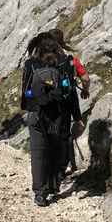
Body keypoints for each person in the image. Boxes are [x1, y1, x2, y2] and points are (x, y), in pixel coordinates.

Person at [21, 33, 84, 207]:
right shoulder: (65, 63)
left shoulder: (29, 65)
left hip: (37, 115)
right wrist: (77, 117)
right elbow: (70, 93)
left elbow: (25, 93)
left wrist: (36, 101)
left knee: (38, 154)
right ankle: (54, 185)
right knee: (57, 151)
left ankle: (40, 194)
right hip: (60, 115)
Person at [49, 28, 89, 174]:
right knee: (64, 132)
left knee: (53, 131)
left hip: (50, 100)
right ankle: (67, 164)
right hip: (68, 98)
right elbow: (85, 78)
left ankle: (55, 163)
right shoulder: (71, 58)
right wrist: (85, 90)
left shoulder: (43, 58)